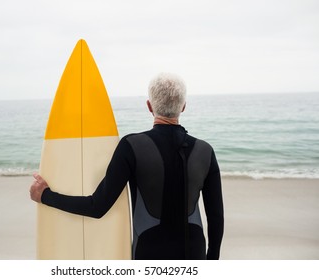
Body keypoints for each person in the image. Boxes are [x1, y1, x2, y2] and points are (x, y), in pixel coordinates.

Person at [30, 73, 224, 260]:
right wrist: (212, 261)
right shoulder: (205, 151)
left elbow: (97, 207)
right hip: (194, 253)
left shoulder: (132, 146)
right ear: (183, 107)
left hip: (149, 253)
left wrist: (45, 195)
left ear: (149, 106)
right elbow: (216, 217)